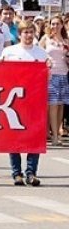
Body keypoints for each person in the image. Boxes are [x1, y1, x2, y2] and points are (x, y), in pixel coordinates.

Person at [0, 20, 48, 186]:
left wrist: (49, 68)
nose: (28, 35)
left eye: (30, 32)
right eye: (25, 32)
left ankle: (31, 172)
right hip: (14, 100)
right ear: (19, 34)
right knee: (15, 137)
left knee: (34, 138)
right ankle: (16, 173)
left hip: (35, 100)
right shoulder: (9, 51)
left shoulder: (41, 53)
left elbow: (47, 76)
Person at [40, 15, 68, 147]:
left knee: (60, 106)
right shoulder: (46, 39)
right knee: (53, 105)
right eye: (52, 24)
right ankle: (55, 136)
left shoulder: (66, 40)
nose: (55, 26)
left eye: (57, 24)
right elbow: (39, 53)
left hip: (63, 74)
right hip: (51, 75)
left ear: (62, 25)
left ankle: (56, 132)